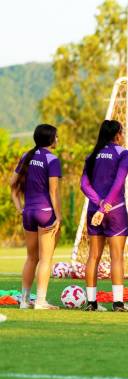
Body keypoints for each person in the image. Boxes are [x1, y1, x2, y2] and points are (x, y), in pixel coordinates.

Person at [80, 120, 128, 312]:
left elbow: (84, 185)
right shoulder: (123, 153)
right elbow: (119, 182)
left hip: (93, 210)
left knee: (93, 256)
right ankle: (118, 304)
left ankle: (91, 303)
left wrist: (99, 204)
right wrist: (106, 207)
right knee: (117, 257)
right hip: (115, 211)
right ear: (118, 134)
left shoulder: (91, 156)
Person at [10, 124, 62, 310]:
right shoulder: (52, 159)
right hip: (45, 212)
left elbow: (12, 185)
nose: (58, 139)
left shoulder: (26, 156)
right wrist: (59, 217)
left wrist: (19, 208)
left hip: (29, 213)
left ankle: (24, 301)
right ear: (50, 139)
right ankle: (40, 301)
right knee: (46, 258)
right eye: (56, 136)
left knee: (31, 258)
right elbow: (53, 191)